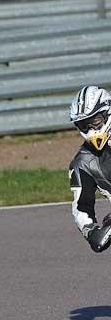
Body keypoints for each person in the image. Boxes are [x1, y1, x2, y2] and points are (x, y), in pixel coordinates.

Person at [69, 85, 111, 253]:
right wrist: (92, 232)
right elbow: (81, 207)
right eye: (85, 125)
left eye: (95, 122)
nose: (92, 130)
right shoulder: (83, 163)